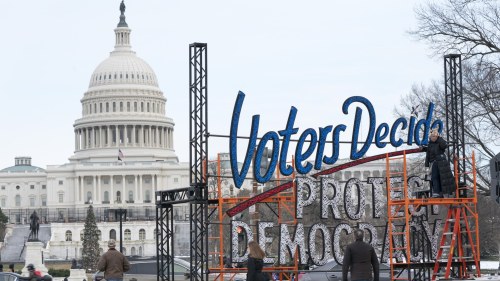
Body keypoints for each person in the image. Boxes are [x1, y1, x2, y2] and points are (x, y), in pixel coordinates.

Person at [424, 128, 455, 198]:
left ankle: (441, 192)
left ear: (437, 136)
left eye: (434, 136)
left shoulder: (440, 142)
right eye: (432, 136)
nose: (433, 138)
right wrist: (426, 165)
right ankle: (437, 192)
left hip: (441, 161)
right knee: (434, 177)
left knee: (441, 177)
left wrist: (439, 138)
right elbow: (427, 155)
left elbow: (444, 145)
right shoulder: (430, 145)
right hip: (433, 162)